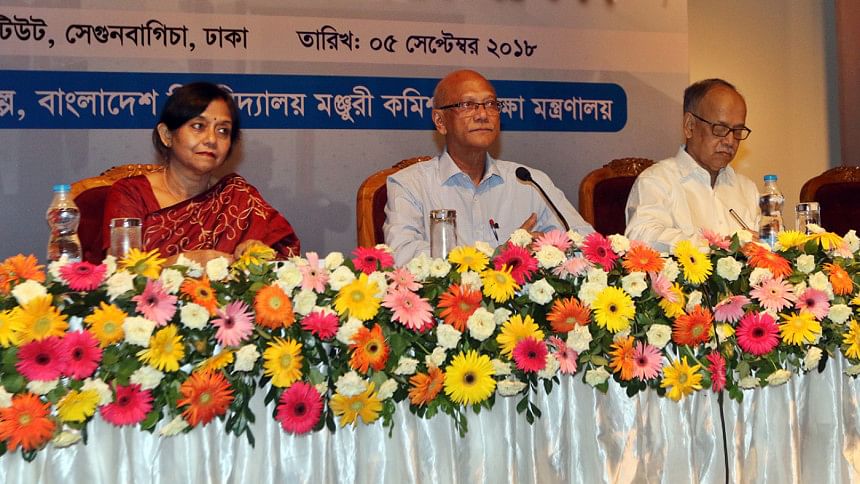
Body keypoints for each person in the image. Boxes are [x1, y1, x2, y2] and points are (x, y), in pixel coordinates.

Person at [384, 69, 593, 265]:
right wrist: (496, 258)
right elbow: (402, 255)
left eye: (490, 104)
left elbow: (587, 243)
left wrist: (550, 249)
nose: (483, 115)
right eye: (467, 105)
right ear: (440, 121)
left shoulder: (530, 182)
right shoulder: (410, 184)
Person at [102, 82, 300, 263]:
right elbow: (121, 272)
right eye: (198, 126)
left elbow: (285, 261)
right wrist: (183, 264)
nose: (211, 139)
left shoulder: (239, 198)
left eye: (223, 131)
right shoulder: (131, 195)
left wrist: (258, 253)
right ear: (167, 135)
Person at [624, 78, 759, 253]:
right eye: (720, 129)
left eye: (738, 131)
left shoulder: (748, 189)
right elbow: (642, 237)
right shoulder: (656, 181)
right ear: (689, 126)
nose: (730, 141)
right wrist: (719, 247)